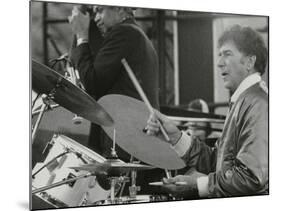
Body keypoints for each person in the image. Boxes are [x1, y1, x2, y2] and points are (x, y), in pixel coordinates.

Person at [146, 24, 268, 198]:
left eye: (227, 54)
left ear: (250, 62)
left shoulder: (258, 104)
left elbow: (251, 178)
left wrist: (197, 184)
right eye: (219, 55)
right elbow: (217, 162)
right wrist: (176, 137)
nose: (219, 63)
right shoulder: (244, 101)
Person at [68, 5, 162, 194]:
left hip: (125, 140)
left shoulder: (123, 33)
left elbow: (92, 81)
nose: (97, 18)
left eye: (100, 10)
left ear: (120, 8)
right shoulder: (136, 35)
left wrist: (81, 36)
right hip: (135, 139)